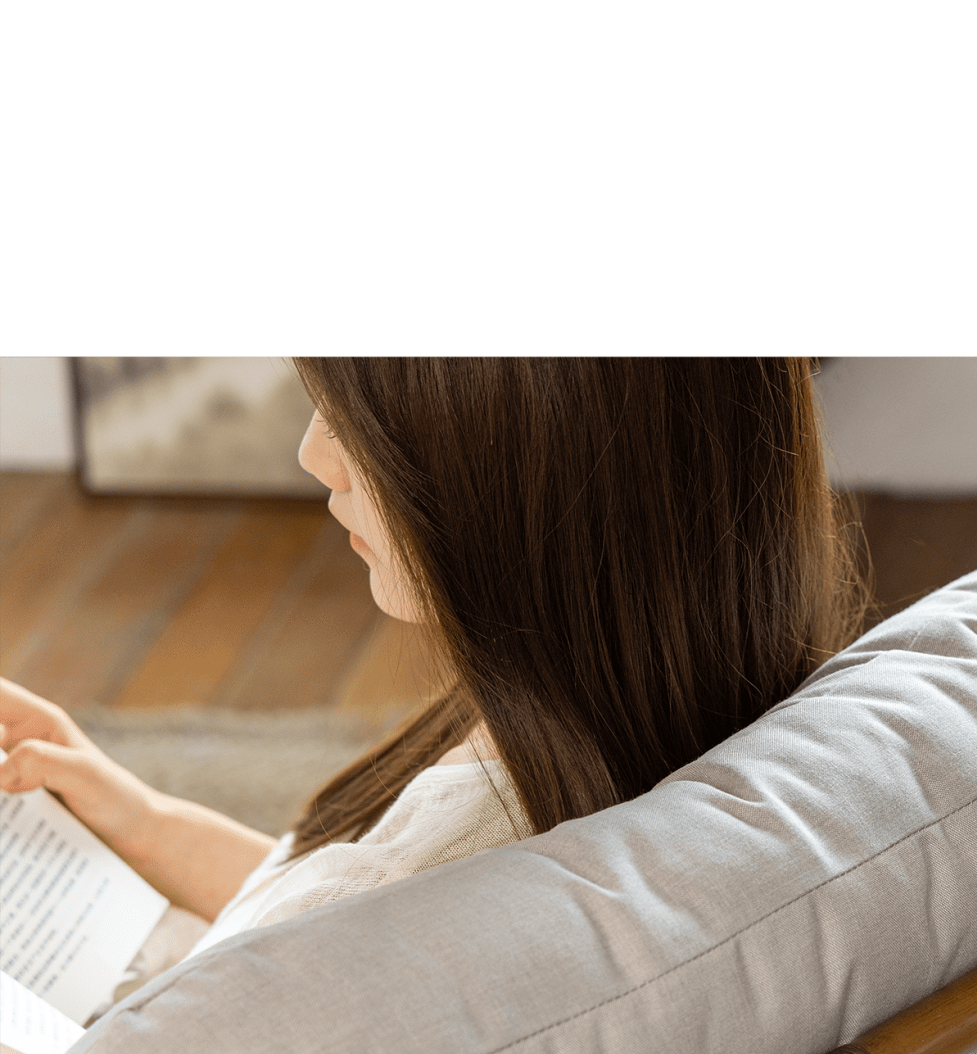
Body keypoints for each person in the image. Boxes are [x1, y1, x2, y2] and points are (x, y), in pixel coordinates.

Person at [0, 358, 867, 1002]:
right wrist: (144, 826)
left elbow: (324, 931)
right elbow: (328, 910)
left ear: (526, 460)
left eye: (358, 421)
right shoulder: (700, 721)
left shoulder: (374, 927)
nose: (314, 454)